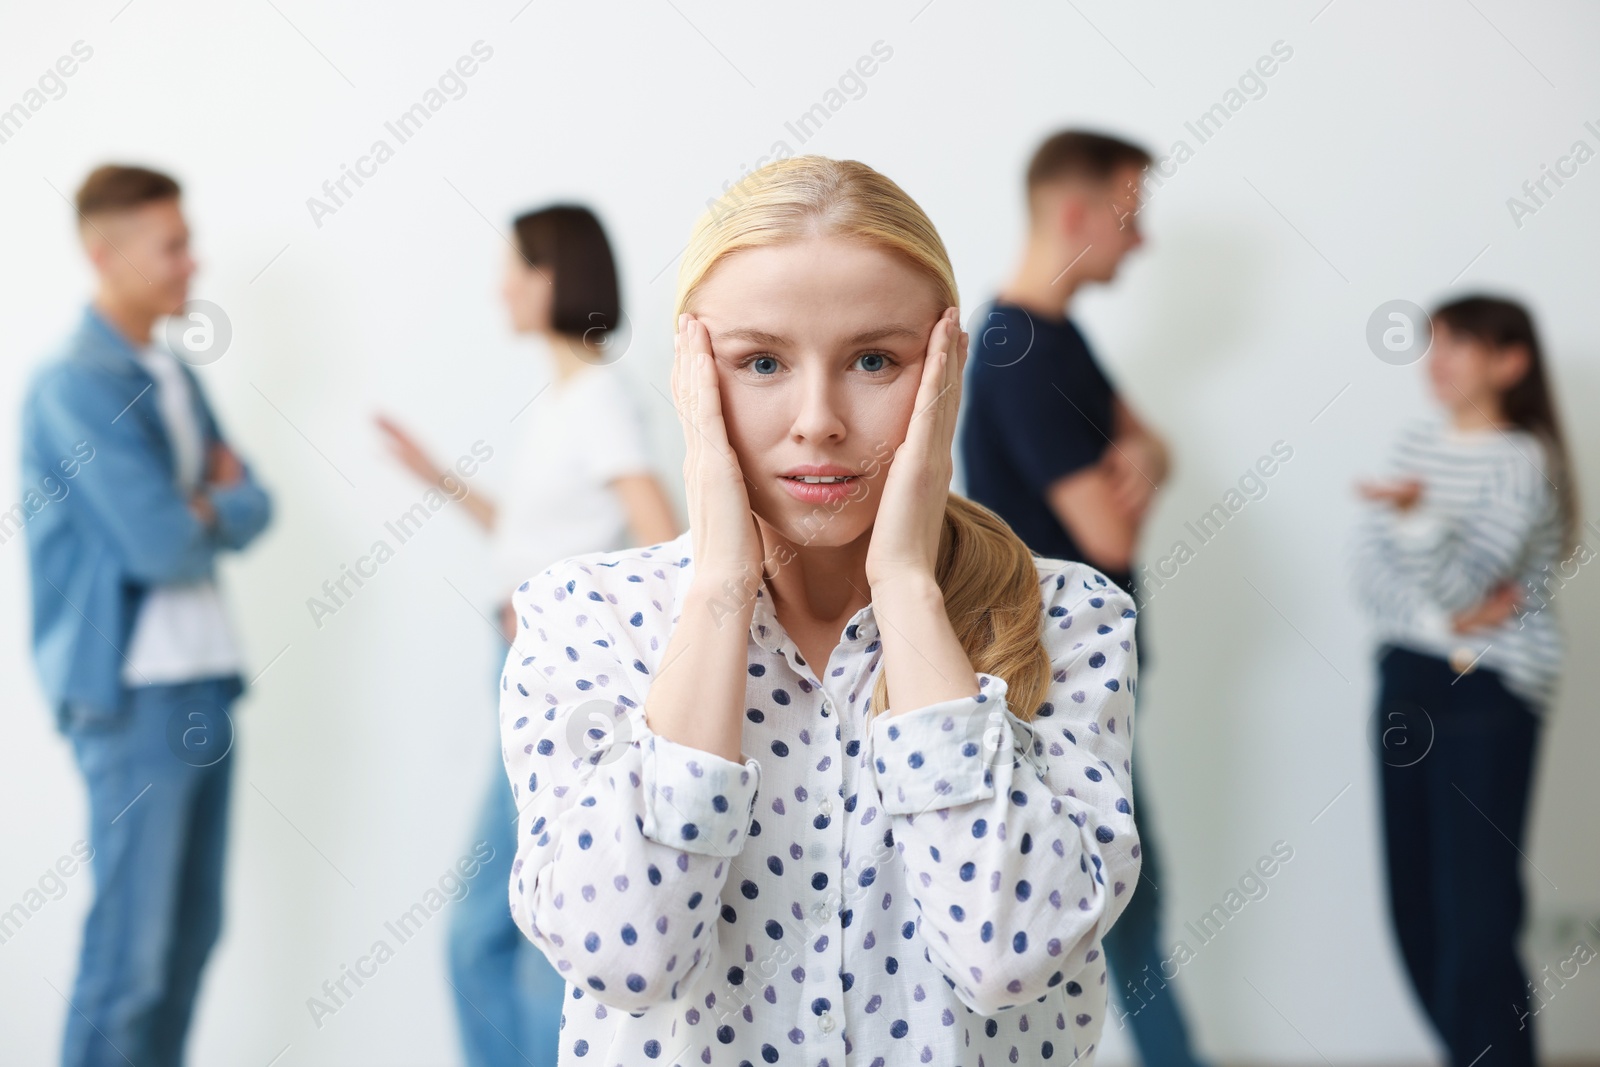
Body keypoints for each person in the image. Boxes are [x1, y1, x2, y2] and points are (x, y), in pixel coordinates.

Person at [498, 154, 1141, 1066]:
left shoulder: (1073, 619)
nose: (818, 419)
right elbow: (626, 956)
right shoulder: (583, 616)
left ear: (945, 368)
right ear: (695, 377)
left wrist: (909, 587)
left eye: (874, 359)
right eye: (761, 361)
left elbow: (1011, 954)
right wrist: (721, 590)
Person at [376, 204, 678, 1067]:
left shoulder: (597, 398)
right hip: (515, 661)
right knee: (502, 923)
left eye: (515, 265)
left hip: (555, 678)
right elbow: (535, 539)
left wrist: (561, 622)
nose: (500, 286)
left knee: (509, 926)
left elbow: (662, 538)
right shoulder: (567, 399)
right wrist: (436, 475)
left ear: (552, 277)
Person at [957, 130, 1209, 1067]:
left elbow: (1157, 448)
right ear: (1076, 214)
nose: (1140, 240)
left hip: (1078, 672)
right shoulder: (1028, 350)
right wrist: (1138, 461)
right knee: (1118, 900)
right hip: (1052, 680)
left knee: (1126, 896)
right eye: (1130, 212)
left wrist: (1141, 456)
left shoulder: (1055, 337)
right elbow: (1109, 531)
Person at [19, 164, 272, 1066]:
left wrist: (208, 504)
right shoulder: (71, 386)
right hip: (134, 697)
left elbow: (258, 502)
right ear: (106, 253)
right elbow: (162, 543)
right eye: (171, 246)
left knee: (190, 942)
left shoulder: (170, 370)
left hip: (205, 678)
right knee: (129, 960)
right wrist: (209, 503)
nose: (189, 264)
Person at [1352, 295, 1576, 1067]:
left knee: (1477, 913)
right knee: (1413, 904)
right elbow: (1368, 579)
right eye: (1432, 343)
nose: (1436, 360)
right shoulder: (1415, 440)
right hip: (1407, 676)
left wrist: (1420, 528)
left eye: (1460, 345)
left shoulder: (1523, 458)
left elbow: (1463, 579)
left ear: (1511, 362)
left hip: (1490, 692)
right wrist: (1455, 611)